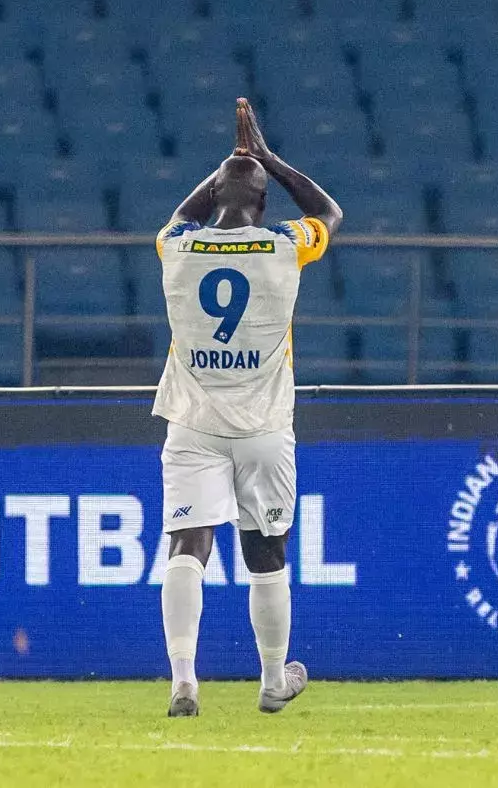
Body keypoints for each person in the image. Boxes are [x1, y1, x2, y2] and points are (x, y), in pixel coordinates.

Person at [153, 98, 343, 717]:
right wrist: (266, 158)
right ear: (263, 206)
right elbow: (328, 212)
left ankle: (184, 680)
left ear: (214, 195)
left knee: (187, 546)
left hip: (193, 423)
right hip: (263, 427)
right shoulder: (284, 244)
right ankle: (272, 680)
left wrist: (224, 168)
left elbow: (182, 215)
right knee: (266, 554)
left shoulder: (176, 247)